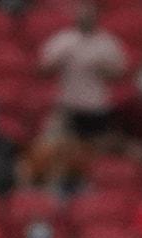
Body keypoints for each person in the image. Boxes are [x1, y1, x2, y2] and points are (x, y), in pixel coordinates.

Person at [40, 3, 126, 144]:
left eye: (90, 15)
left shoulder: (108, 43)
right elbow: (43, 70)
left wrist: (104, 69)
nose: (86, 18)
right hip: (68, 106)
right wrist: (58, 63)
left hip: (96, 106)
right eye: (84, 14)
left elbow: (121, 73)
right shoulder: (62, 41)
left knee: (95, 149)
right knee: (60, 145)